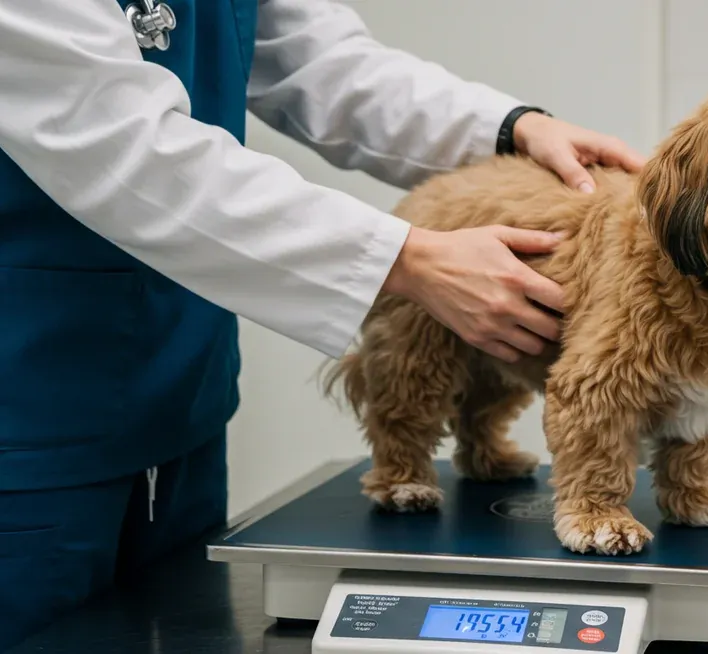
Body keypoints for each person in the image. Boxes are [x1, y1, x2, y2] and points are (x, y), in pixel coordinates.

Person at [0, 0, 645, 649]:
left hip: (180, 395)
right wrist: (405, 257)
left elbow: (317, 59)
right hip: (29, 414)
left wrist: (511, 127)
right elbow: (113, 139)